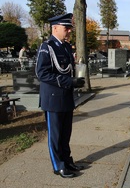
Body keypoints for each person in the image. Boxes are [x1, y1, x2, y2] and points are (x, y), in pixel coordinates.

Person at [35, 13, 85, 178]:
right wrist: (69, 81)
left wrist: (76, 79)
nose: (69, 31)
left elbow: (67, 69)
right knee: (55, 135)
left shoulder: (65, 47)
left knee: (65, 133)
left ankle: (67, 160)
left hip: (66, 97)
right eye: (66, 28)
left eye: (69, 28)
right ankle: (58, 165)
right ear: (55, 28)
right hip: (53, 98)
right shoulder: (46, 46)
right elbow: (42, 73)